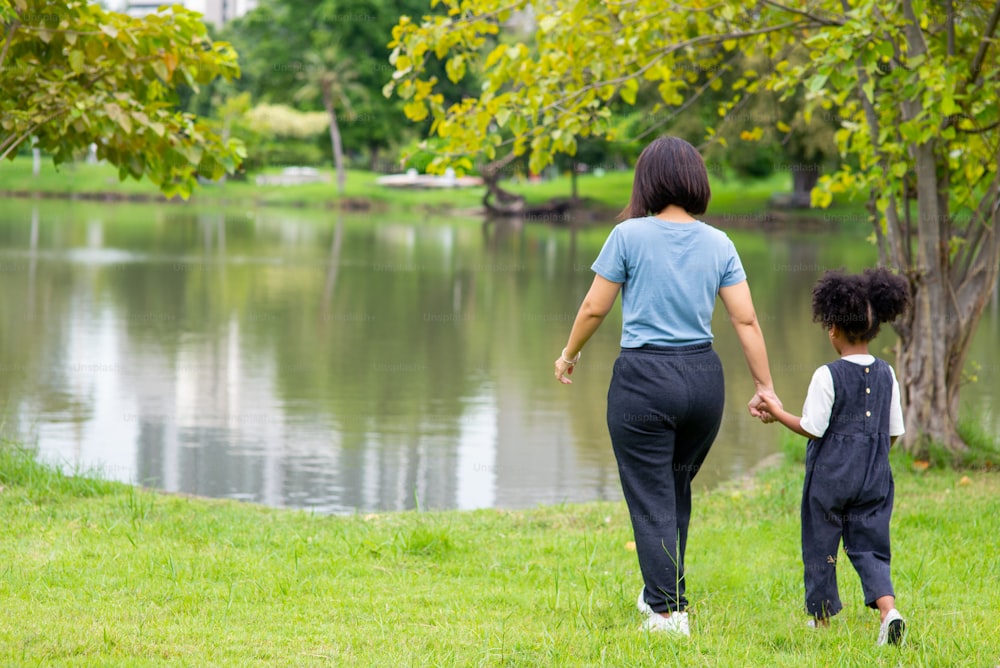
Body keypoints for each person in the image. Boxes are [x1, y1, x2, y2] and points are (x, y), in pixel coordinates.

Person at [553, 135, 780, 635]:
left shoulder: (628, 236)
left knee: (652, 491)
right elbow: (746, 321)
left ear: (646, 182)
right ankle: (660, 591)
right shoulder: (719, 242)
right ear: (696, 182)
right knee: (673, 486)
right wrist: (766, 387)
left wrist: (569, 355)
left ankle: (666, 612)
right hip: (704, 381)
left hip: (644, 380)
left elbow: (595, 306)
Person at [756, 267, 910, 646]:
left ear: (833, 329)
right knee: (870, 545)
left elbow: (812, 427)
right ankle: (889, 612)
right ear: (874, 329)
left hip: (829, 479)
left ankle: (821, 620)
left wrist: (775, 411)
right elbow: (893, 432)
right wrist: (870, 460)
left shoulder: (828, 375)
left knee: (821, 545)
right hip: (874, 477)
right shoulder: (888, 374)